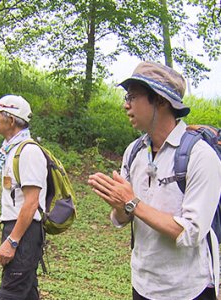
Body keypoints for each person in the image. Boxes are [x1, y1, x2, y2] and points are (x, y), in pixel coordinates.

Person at [88, 61, 221, 300]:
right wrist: (120, 207)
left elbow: (191, 233)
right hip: (142, 282)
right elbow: (122, 218)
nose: (125, 105)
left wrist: (132, 203)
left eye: (132, 96)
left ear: (160, 100)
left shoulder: (200, 156)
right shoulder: (134, 151)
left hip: (187, 289)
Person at [0, 94, 47, 300]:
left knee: (10, 294)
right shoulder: (12, 150)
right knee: (26, 293)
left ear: (11, 120)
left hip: (24, 232)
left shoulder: (29, 152)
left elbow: (31, 202)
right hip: (17, 228)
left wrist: (12, 241)